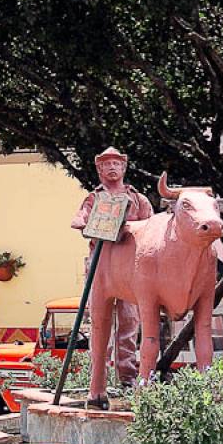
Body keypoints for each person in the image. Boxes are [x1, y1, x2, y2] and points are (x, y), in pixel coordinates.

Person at [71, 147, 153, 386]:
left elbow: (152, 227)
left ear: (124, 168)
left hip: (130, 271)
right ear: (99, 169)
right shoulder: (94, 198)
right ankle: (98, 380)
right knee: (99, 325)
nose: (112, 168)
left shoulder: (138, 199)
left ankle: (127, 377)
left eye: (116, 164)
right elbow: (78, 220)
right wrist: (91, 226)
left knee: (130, 323)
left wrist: (128, 228)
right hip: (102, 269)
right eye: (107, 164)